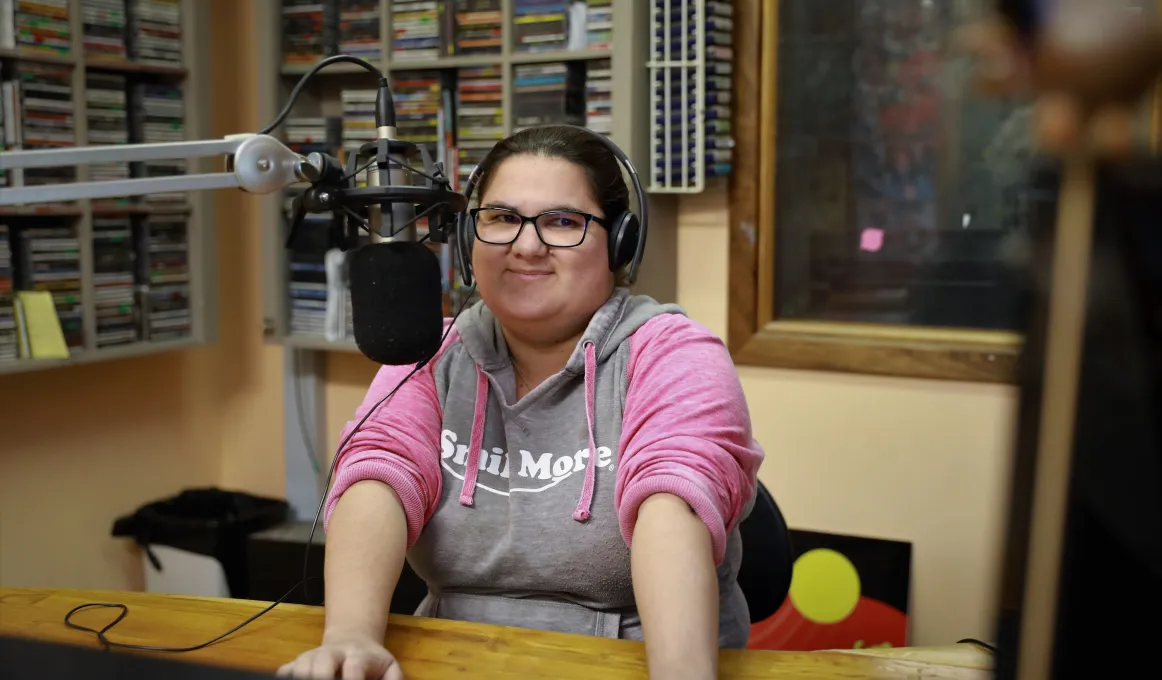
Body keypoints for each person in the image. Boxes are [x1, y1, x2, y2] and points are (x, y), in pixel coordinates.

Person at [277, 125, 766, 680]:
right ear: (467, 239)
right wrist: (351, 638)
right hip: (453, 660)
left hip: (625, 664)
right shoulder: (428, 353)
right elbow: (378, 476)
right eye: (503, 218)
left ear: (620, 244)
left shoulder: (674, 354)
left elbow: (674, 502)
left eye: (562, 222)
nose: (526, 245)